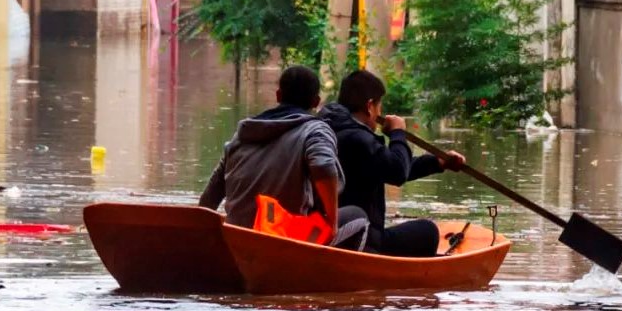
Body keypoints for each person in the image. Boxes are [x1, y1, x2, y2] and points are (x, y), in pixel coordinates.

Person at [199, 65, 369, 250]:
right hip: (283, 241)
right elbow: (324, 166)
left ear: (278, 96)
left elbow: (208, 200)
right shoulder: (315, 130)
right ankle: (326, 277)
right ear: (316, 101)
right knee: (359, 217)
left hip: (237, 239)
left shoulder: (241, 135)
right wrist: (332, 221)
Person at [320, 69, 466, 257]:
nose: (380, 112)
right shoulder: (359, 138)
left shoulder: (329, 130)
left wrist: (437, 163)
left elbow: (389, 166)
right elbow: (397, 171)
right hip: (363, 239)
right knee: (427, 231)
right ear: (370, 106)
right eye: (380, 105)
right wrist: (398, 134)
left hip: (330, 230)